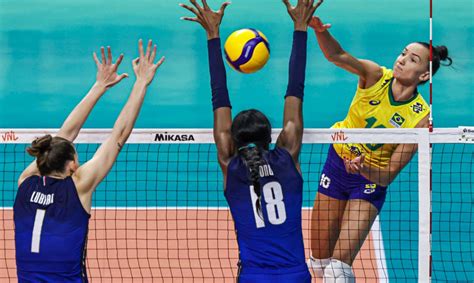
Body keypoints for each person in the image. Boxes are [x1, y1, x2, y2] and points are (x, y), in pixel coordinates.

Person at [180, 0, 323, 281]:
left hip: (254, 276)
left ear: (232, 139)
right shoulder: (287, 156)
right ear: (272, 136)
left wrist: (212, 36)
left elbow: (218, 95)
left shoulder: (229, 163)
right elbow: (296, 89)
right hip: (295, 275)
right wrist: (300, 28)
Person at [307, 15, 452, 282]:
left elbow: (389, 173)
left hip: (369, 183)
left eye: (412, 59)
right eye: (403, 53)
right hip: (337, 165)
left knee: (337, 272)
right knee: (318, 264)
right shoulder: (374, 75)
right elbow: (337, 55)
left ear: (424, 75)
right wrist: (319, 32)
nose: (401, 59)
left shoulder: (420, 116)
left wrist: (364, 168)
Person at [14, 40, 164, 282]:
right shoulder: (78, 186)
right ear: (73, 166)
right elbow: (119, 133)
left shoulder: (25, 183)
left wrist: (99, 86)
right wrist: (141, 83)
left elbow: (64, 134)